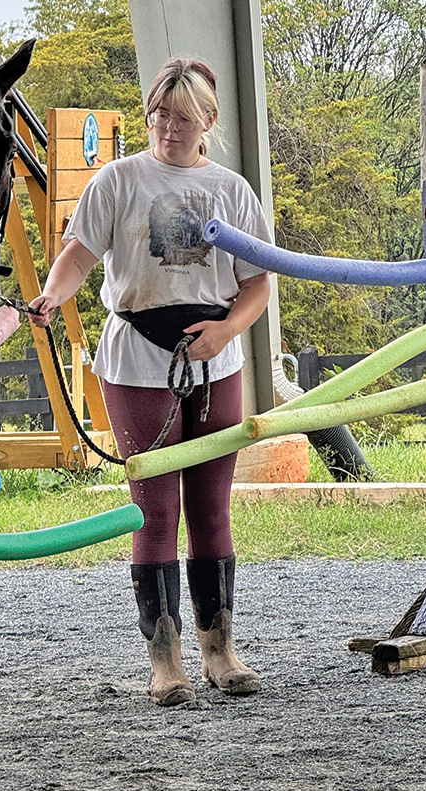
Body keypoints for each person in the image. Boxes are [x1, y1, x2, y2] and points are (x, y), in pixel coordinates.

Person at [28, 57, 273, 706]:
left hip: (215, 358)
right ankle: (165, 661)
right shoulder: (118, 180)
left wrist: (223, 335)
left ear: (207, 122)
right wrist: (53, 297)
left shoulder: (233, 190)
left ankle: (219, 649)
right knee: (156, 508)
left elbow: (258, 286)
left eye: (183, 118)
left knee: (212, 507)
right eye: (160, 114)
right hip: (139, 355)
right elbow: (78, 253)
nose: (168, 127)